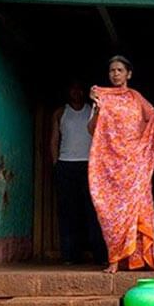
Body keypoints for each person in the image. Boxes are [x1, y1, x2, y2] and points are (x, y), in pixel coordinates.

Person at [88, 55, 154, 273]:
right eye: (112, 70)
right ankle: (116, 259)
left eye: (120, 70)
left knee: (138, 210)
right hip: (110, 165)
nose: (115, 74)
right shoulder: (102, 97)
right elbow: (92, 130)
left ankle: (141, 259)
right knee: (111, 210)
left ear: (128, 74)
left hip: (135, 165)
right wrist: (97, 108)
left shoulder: (135, 97)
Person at [50, 81, 106, 265]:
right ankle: (70, 255)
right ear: (68, 91)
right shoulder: (60, 112)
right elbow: (54, 140)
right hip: (66, 166)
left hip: (90, 165)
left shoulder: (92, 110)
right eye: (72, 88)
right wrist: (56, 165)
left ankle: (99, 255)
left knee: (93, 211)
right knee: (68, 212)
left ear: (84, 92)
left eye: (79, 88)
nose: (76, 92)